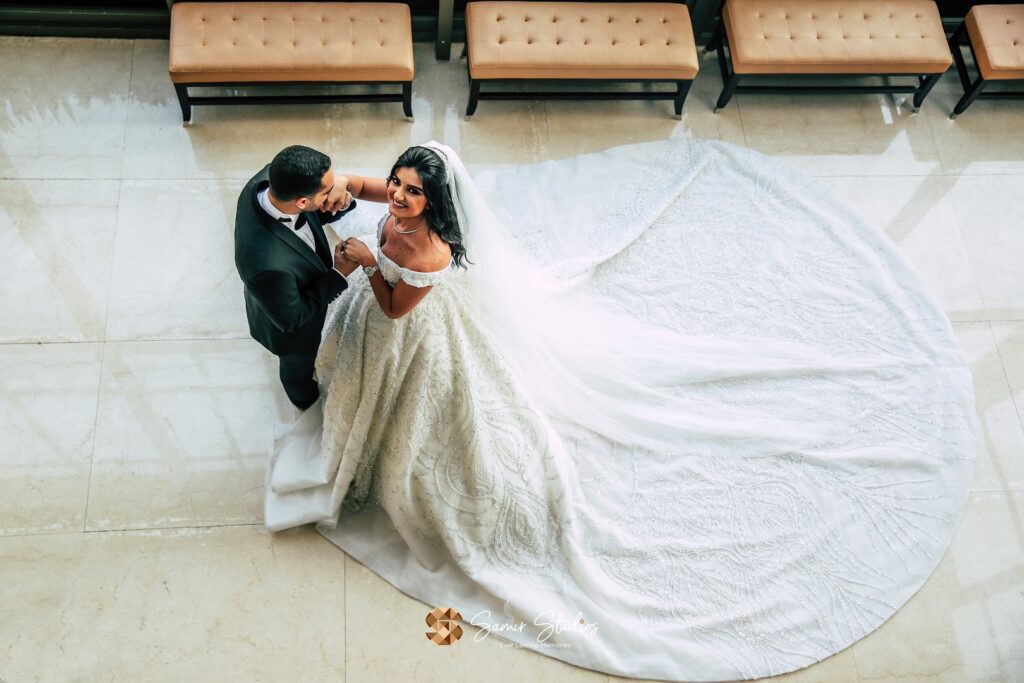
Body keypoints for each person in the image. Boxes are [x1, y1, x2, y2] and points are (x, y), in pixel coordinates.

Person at [264, 140, 975, 682]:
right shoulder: (390, 201)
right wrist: (340, 188)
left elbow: (393, 308)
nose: (396, 196)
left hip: (410, 330)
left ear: (436, 203)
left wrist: (367, 259)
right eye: (396, 184)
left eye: (412, 192)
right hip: (384, 311)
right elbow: (362, 186)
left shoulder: (430, 250)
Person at [234, 145, 358, 410]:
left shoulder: (269, 179)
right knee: (297, 368)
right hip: (292, 330)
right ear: (302, 203)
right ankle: (304, 400)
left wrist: (337, 203)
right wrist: (339, 273)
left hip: (285, 280)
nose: (334, 188)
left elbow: (312, 212)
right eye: (328, 190)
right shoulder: (266, 264)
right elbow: (293, 318)